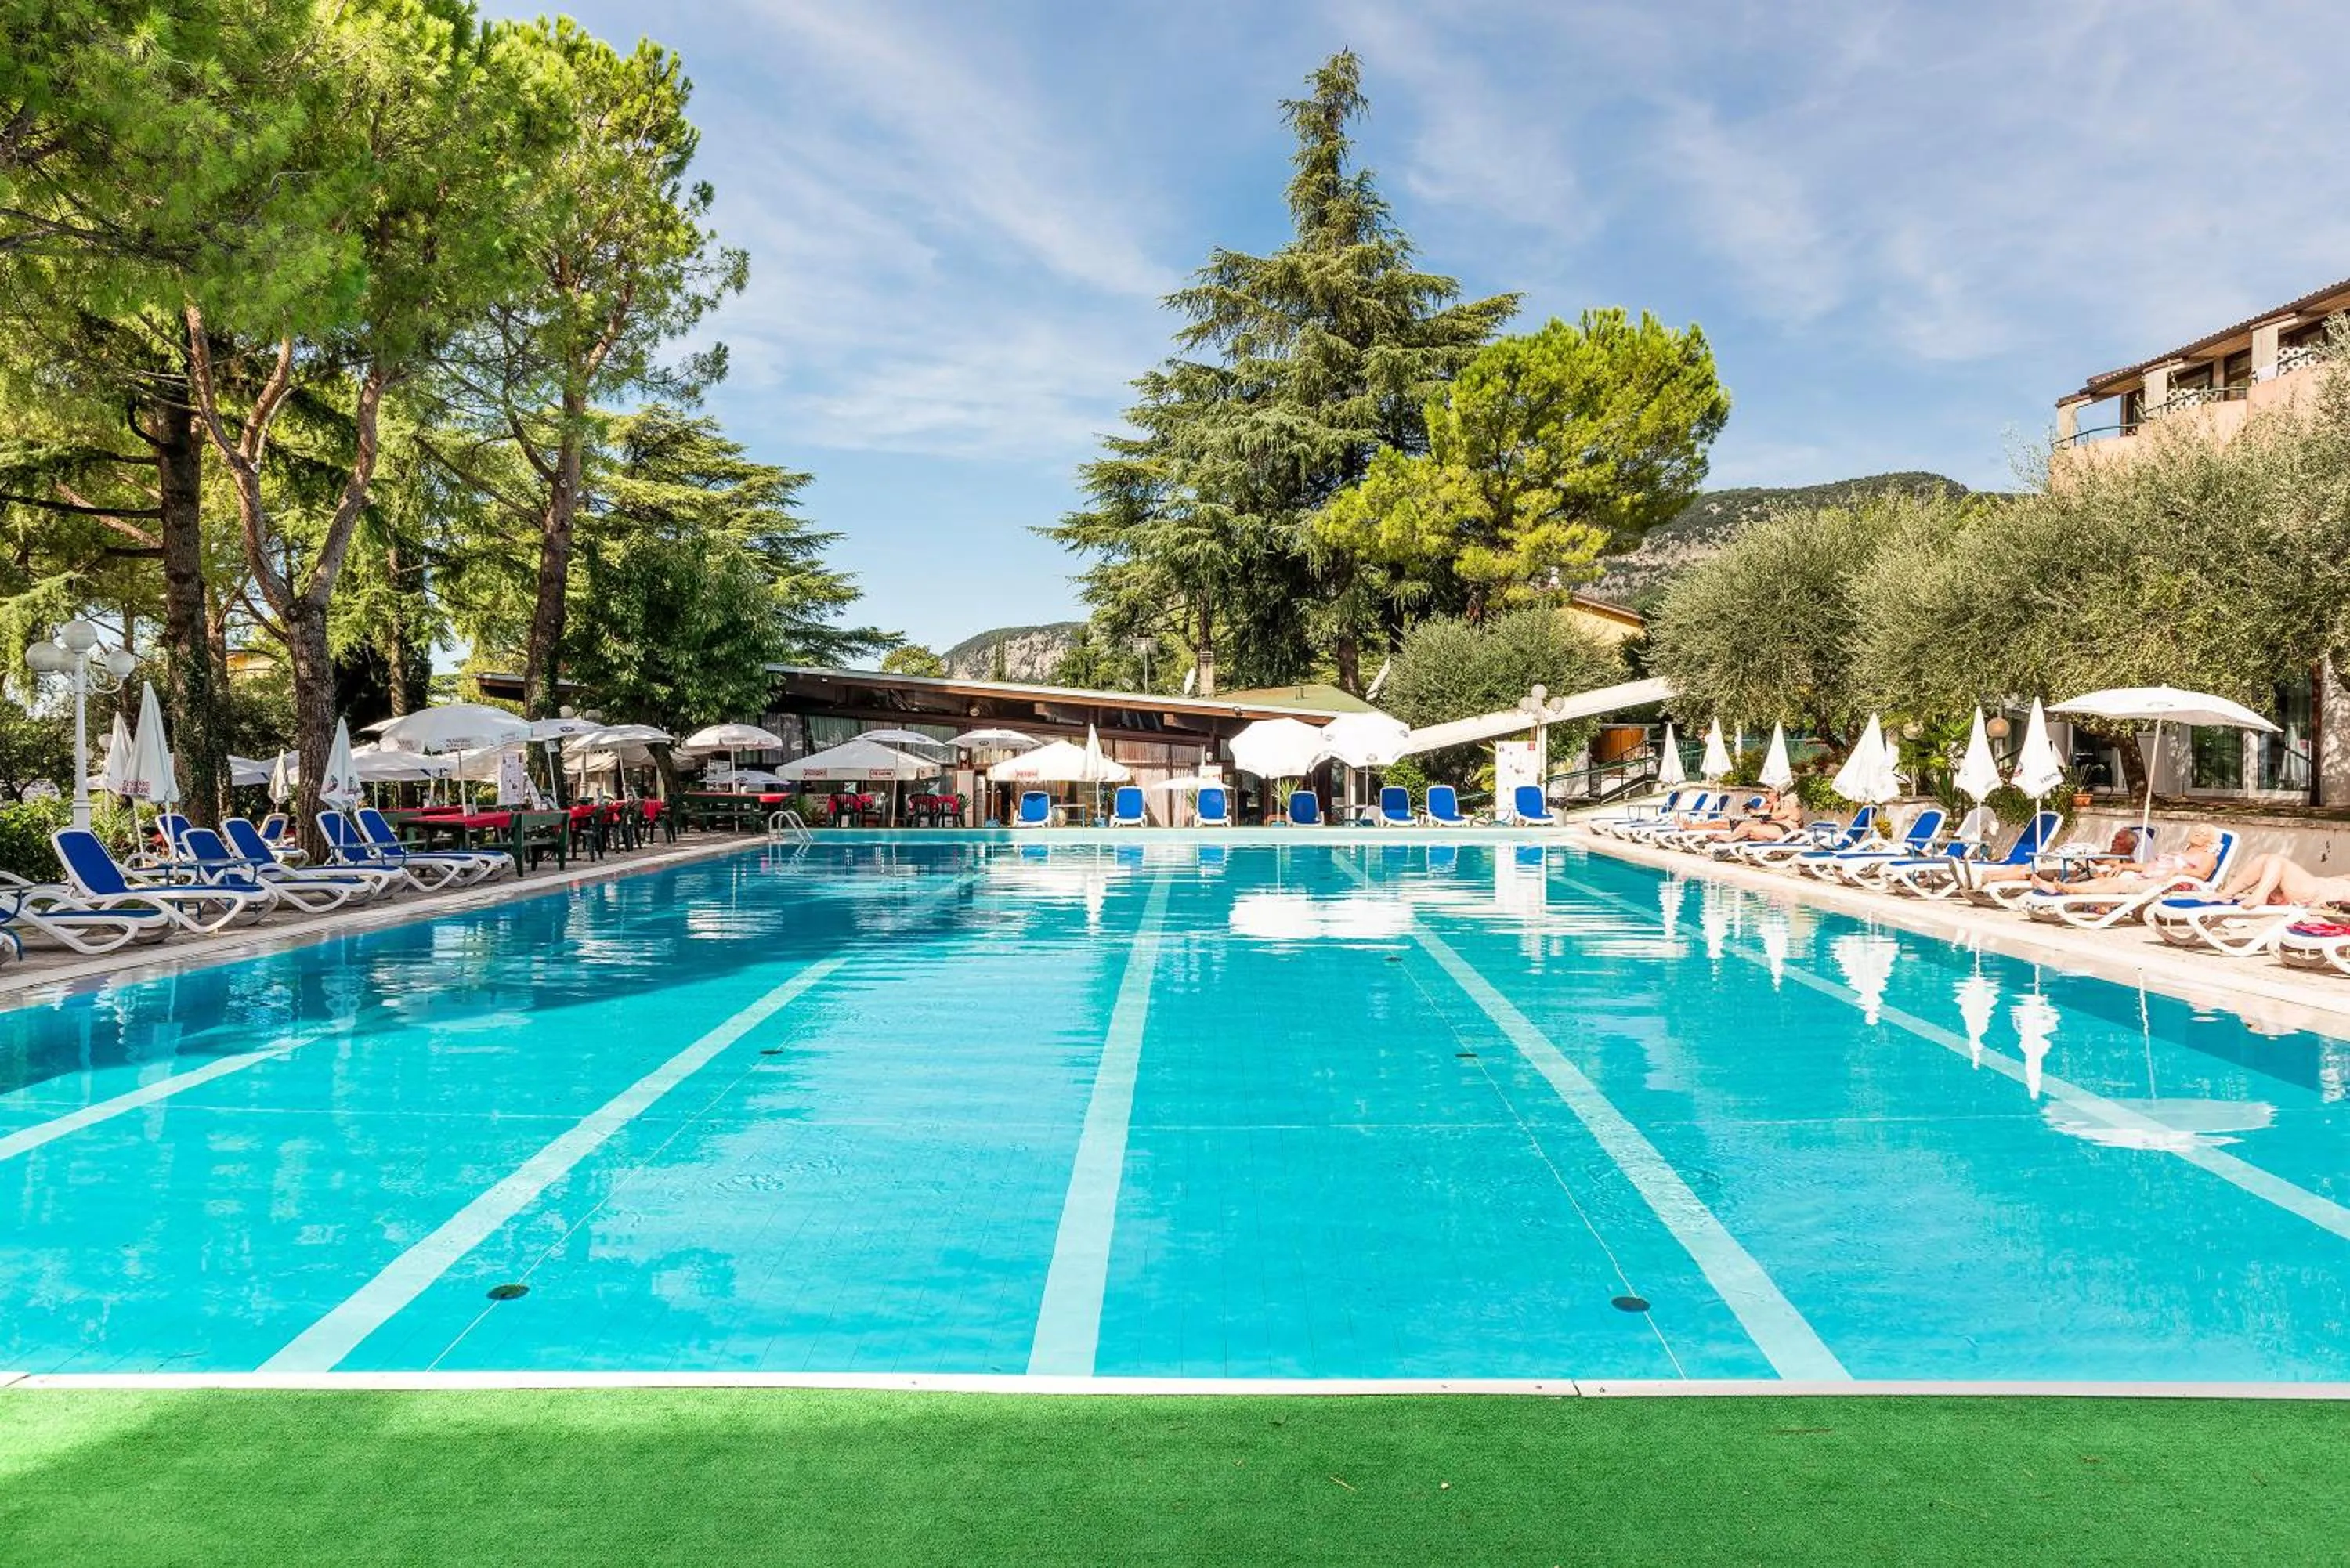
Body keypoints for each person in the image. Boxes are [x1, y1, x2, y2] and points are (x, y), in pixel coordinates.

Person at [2030, 822, 2220, 897]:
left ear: (2209, 841)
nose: (2196, 834)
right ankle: (2059, 888)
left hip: (2167, 885)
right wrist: (2126, 866)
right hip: (2150, 878)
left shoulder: (2207, 856)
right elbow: (2148, 865)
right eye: (2196, 831)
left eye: (2202, 834)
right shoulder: (2182, 853)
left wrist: (2179, 872)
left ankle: (2073, 890)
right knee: (2106, 880)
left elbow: (2202, 875)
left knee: (2120, 886)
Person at [1969, 825, 2143, 894]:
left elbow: (2116, 865)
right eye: (2114, 837)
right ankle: (1981, 875)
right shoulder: (2111, 854)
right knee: (2023, 867)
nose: (2113, 840)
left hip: (2072, 870)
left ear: (2129, 844)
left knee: (2026, 872)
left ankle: (1984, 878)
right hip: (2069, 864)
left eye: (2119, 839)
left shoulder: (2125, 860)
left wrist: (2096, 858)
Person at [2211, 851, 2350, 912]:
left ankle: (2259, 896)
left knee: (2277, 861)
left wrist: (2336, 904)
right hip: (2317, 885)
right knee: (2264, 859)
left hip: (2318, 895)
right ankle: (2226, 894)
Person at [1716, 788, 1808, 845]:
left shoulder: (1792, 810)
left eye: (1768, 793)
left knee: (1749, 829)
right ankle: (1731, 837)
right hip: (1781, 830)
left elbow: (1771, 817)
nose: (1766, 795)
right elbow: (1767, 816)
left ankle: (1730, 839)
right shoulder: (1786, 809)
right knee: (1745, 825)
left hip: (1786, 833)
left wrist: (1775, 806)